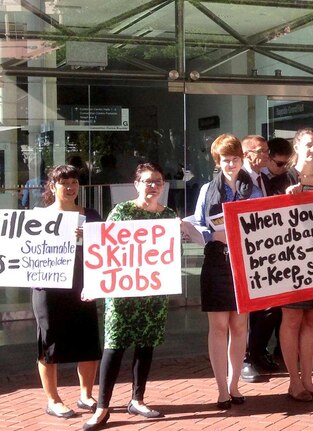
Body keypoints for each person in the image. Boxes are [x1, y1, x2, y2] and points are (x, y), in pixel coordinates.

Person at [83, 162, 177, 431]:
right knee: (114, 347)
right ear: (136, 184)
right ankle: (102, 407)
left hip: (152, 293)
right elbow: (104, 246)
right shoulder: (122, 211)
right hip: (122, 291)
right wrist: (93, 284)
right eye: (148, 181)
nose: (153, 185)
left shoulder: (168, 214)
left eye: (158, 181)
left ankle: (137, 399)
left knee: (146, 346)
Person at [267, 127, 313, 402]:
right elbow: (267, 220)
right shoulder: (281, 179)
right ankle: (293, 381)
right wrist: (286, 200)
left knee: (312, 318)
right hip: (290, 259)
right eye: (307, 144)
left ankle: (308, 379)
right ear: (297, 146)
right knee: (291, 318)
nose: (312, 149)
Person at [193, 134, 261, 409]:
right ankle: (222, 388)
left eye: (235, 159)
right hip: (217, 261)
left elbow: (263, 222)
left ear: (242, 160)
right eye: (225, 160)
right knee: (219, 326)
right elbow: (199, 225)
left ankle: (234, 384)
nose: (230, 164)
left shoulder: (254, 189)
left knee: (239, 325)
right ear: (217, 162)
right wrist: (208, 233)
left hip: (245, 262)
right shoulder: (207, 189)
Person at [33, 164, 102, 419]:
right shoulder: (39, 217)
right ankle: (53, 400)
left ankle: (86, 395)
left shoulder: (91, 215)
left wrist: (89, 236)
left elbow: (107, 246)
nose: (71, 187)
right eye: (65, 183)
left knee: (87, 340)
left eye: (74, 182)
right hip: (48, 288)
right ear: (53, 186)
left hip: (82, 286)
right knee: (49, 342)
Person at [239, 134, 281, 382]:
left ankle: (257, 351)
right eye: (262, 151)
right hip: (246, 253)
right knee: (250, 309)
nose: (266, 155)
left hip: (264, 252)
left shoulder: (263, 179)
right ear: (247, 154)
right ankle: (245, 358)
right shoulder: (239, 180)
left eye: (267, 151)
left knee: (270, 307)